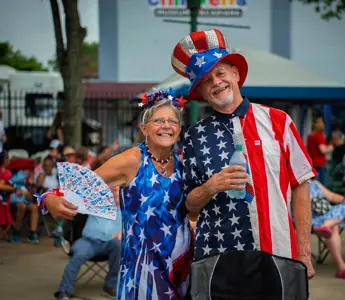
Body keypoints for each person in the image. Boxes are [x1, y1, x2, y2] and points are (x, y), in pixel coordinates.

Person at [171, 29, 316, 278]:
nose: (216, 82)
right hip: (220, 260)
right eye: (206, 80)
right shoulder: (195, 135)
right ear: (203, 93)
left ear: (236, 74)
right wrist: (210, 187)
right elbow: (189, 205)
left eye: (220, 73)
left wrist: (304, 252)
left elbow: (301, 185)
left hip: (278, 251)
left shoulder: (278, 121)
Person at [37, 90, 193, 299]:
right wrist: (49, 198)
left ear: (179, 128)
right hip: (143, 270)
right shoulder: (131, 160)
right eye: (158, 120)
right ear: (144, 128)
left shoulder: (183, 162)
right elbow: (81, 187)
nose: (166, 126)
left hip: (179, 265)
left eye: (172, 121)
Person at [54, 211, 122, 300]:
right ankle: (64, 290)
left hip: (111, 244)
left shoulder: (127, 208)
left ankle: (110, 286)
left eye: (118, 195)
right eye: (114, 195)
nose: (116, 196)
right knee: (79, 255)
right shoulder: (96, 204)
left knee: (120, 245)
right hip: (89, 240)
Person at [309, 180, 345, 280]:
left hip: (323, 218)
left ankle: (325, 226)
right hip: (306, 220)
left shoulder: (314, 183)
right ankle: (341, 267)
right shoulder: (293, 185)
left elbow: (331, 196)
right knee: (334, 227)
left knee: (344, 208)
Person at [307, 117, 333, 185]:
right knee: (321, 185)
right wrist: (330, 147)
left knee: (313, 184)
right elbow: (322, 150)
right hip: (319, 163)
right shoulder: (319, 135)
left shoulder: (309, 136)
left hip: (312, 163)